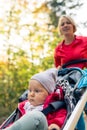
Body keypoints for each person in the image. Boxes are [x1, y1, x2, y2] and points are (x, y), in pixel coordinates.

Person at [54, 15, 87, 130]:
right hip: (70, 82)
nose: (65, 25)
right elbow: (58, 67)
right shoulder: (58, 49)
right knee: (75, 109)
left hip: (84, 76)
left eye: (68, 23)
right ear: (60, 29)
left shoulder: (84, 41)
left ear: (73, 26)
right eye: (62, 24)